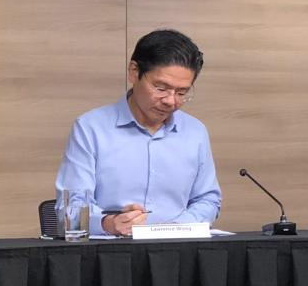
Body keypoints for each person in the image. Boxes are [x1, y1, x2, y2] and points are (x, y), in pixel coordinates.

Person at [55, 29, 221, 236]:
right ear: (134, 72)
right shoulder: (90, 128)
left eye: (182, 92)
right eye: (161, 88)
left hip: (178, 253)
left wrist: (176, 228)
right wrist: (108, 223)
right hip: (112, 255)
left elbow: (207, 199)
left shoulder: (195, 132)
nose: (171, 100)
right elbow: (70, 209)